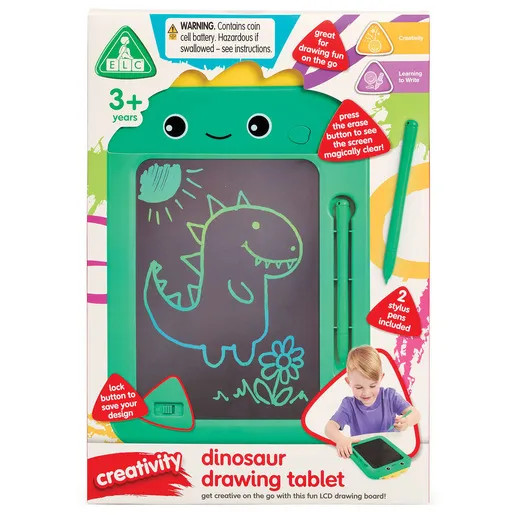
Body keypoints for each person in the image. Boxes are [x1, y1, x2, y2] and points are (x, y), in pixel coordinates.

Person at [325, 346, 420, 458]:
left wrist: (407, 421)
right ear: (348, 382)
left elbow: (416, 414)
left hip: (390, 453)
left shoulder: (390, 396)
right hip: (364, 456)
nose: (366, 393)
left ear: (381, 378)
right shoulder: (349, 405)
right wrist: (341, 439)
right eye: (359, 387)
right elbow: (329, 428)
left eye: (372, 386)